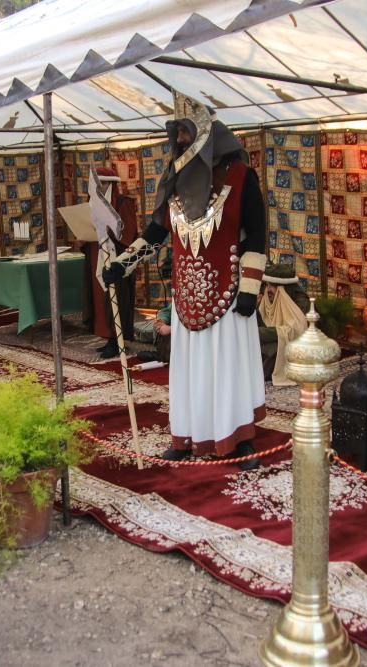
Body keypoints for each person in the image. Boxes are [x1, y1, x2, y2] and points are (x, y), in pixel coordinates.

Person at [103, 91, 267, 470]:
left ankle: (238, 437)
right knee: (189, 369)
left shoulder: (241, 177)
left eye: (184, 133)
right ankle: (187, 433)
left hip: (227, 294)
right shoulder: (174, 181)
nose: (177, 142)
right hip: (186, 296)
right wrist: (123, 264)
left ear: (203, 133)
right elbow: (156, 234)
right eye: (174, 134)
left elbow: (256, 237)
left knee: (227, 367)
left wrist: (249, 289)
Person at [90, 167, 138, 359]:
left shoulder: (122, 203)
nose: (100, 188)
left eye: (103, 184)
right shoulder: (94, 204)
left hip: (119, 259)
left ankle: (118, 342)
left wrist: (109, 231)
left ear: (110, 183)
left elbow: (128, 232)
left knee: (118, 299)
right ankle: (110, 338)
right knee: (106, 300)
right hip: (102, 255)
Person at [257, 263, 308, 385]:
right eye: (267, 285)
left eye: (272, 286)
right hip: (272, 339)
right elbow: (261, 321)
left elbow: (296, 332)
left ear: (284, 289)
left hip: (295, 347)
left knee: (271, 349)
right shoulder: (267, 298)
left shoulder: (301, 303)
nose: (267, 290)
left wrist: (258, 333)